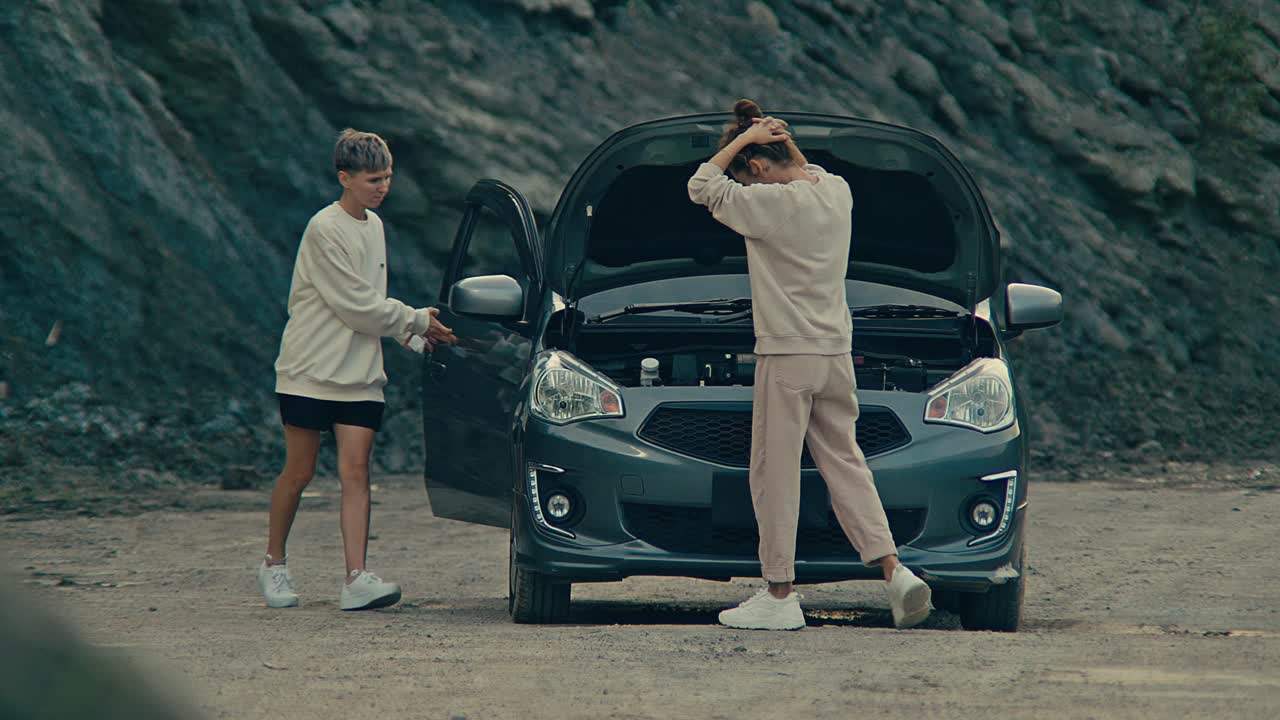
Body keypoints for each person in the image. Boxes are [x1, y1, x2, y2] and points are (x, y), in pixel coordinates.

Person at [687, 100, 932, 631]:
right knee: (846, 464)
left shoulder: (769, 205)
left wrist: (741, 141)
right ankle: (894, 571)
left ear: (755, 168)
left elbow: (701, 186)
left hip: (787, 353)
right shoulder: (836, 193)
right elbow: (805, 168)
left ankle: (779, 593)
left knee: (774, 474)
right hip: (836, 352)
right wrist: (774, 136)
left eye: (747, 175)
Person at [259, 129, 456, 611]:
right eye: (372, 179)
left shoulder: (375, 227)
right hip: (309, 368)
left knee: (357, 473)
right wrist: (415, 320)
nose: (382, 187)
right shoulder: (323, 228)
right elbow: (354, 305)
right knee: (300, 471)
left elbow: (368, 306)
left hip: (361, 375)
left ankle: (356, 579)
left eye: (387, 178)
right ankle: (273, 564)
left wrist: (412, 334)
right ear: (344, 177)